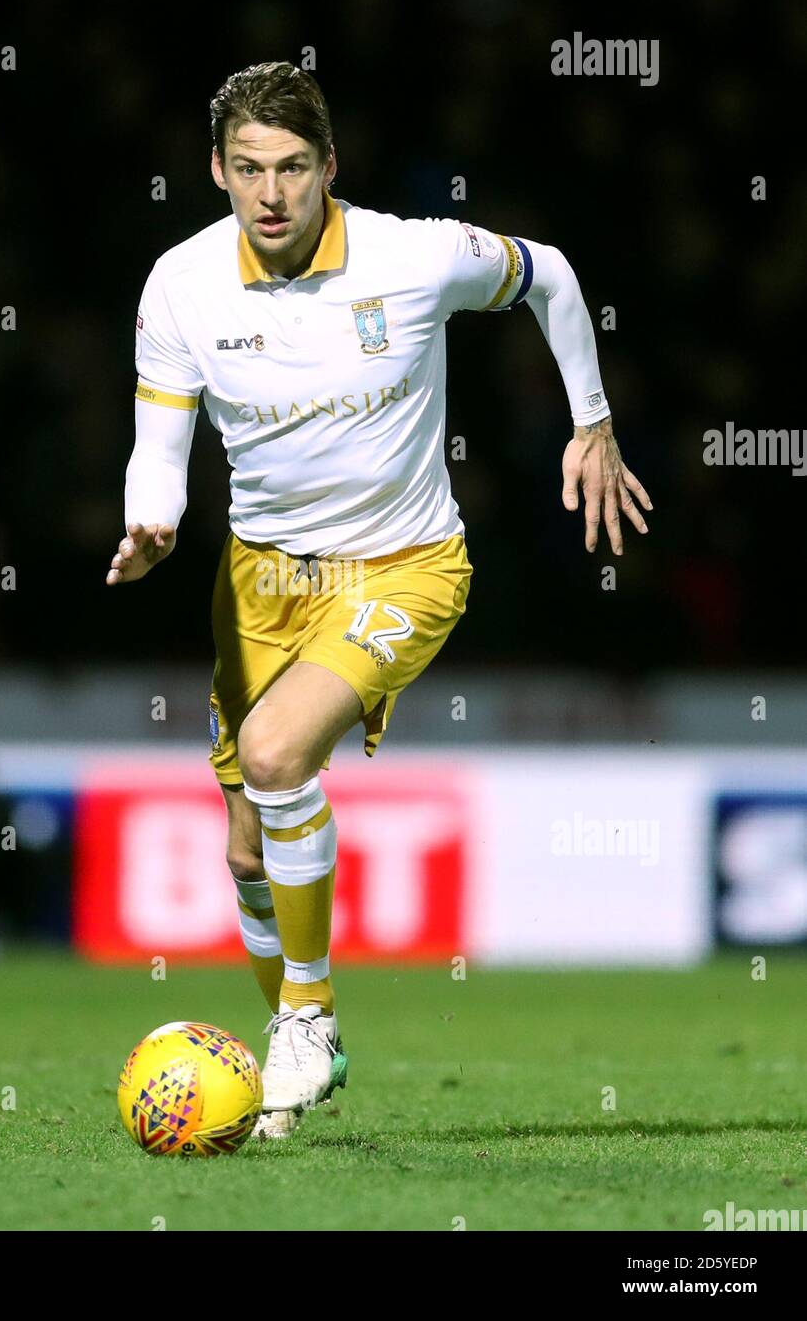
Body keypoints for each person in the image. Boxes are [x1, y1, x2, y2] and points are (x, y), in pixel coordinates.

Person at [105, 61, 652, 1139]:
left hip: (403, 566)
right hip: (257, 585)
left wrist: (589, 419)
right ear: (215, 170)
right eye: (250, 169)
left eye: (294, 168)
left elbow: (548, 273)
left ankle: (305, 1016)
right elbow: (157, 447)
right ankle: (298, 1057)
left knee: (273, 757)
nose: (271, 193)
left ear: (329, 168)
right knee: (246, 854)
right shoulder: (179, 284)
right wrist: (150, 518)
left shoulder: (413, 256)